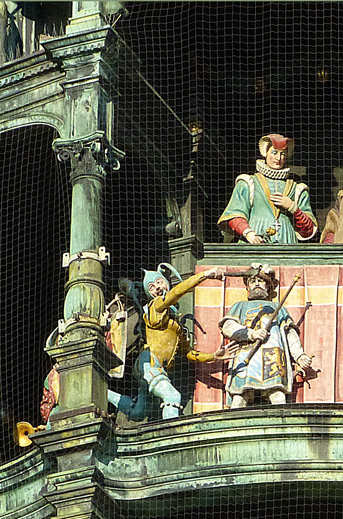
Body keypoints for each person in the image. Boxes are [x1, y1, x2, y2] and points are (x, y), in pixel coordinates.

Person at [116, 264, 224, 420]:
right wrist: (205, 275)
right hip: (150, 362)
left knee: (139, 412)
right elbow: (176, 292)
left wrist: (213, 356)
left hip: (155, 367)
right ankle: (171, 433)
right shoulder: (156, 306)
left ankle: (103, 393)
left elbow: (188, 353)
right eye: (152, 287)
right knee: (172, 397)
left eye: (159, 282)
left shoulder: (174, 324)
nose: (157, 288)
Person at [218, 265, 316, 408]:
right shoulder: (240, 306)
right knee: (239, 398)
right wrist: (250, 334)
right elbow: (228, 326)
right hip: (247, 357)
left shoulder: (278, 308)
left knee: (278, 395)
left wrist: (299, 356)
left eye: (260, 281)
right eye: (253, 281)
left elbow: (290, 333)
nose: (256, 284)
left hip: (273, 358)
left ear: (268, 286)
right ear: (247, 287)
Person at [218, 134, 318, 245]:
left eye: (282, 154)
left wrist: (293, 207)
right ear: (266, 153)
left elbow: (308, 229)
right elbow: (234, 215)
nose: (278, 158)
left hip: (286, 242)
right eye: (274, 152)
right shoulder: (248, 183)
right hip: (255, 241)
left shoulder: (297, 189)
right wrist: (248, 233)